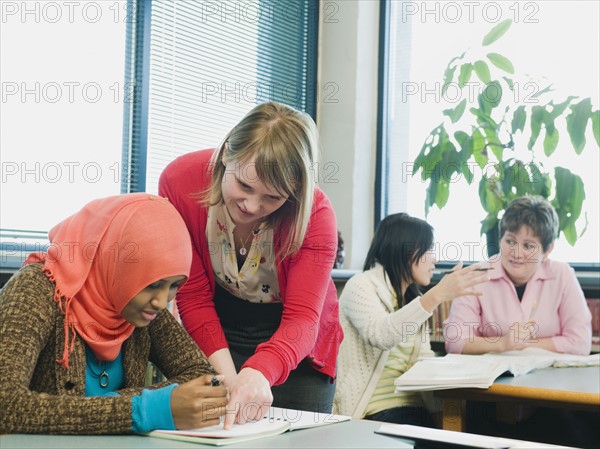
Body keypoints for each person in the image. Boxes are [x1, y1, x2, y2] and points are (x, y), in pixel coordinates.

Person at [158, 102, 342, 428]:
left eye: (272, 198)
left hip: (294, 340)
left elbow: (302, 319)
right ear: (227, 153)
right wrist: (230, 381)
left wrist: (258, 373)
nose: (252, 206)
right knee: (221, 429)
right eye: (244, 186)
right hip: (219, 324)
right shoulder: (180, 182)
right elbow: (195, 297)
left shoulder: (316, 215)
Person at [0, 193, 228, 434]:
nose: (162, 302)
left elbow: (203, 376)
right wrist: (142, 410)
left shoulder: (143, 306)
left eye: (173, 286)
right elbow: (5, 404)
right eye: (151, 284)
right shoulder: (35, 290)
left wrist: (117, 406)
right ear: (113, 262)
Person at [333, 213, 489, 425]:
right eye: (428, 250)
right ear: (404, 251)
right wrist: (436, 296)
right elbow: (380, 334)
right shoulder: (361, 285)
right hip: (373, 411)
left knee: (477, 421)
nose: (434, 259)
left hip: (413, 408)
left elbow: (422, 362)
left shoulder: (414, 301)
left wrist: (466, 368)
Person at [444, 195, 592, 355]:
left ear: (547, 250)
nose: (517, 253)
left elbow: (580, 343)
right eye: (510, 241)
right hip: (493, 377)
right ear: (500, 239)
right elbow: (456, 343)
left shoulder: (562, 275)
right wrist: (502, 343)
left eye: (528, 246)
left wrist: (521, 345)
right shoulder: (475, 276)